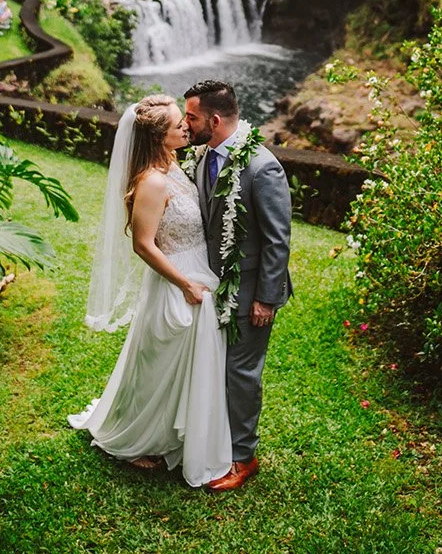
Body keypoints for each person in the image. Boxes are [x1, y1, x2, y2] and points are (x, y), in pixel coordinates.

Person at [69, 95, 232, 488]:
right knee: (158, 367)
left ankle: (181, 429)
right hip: (177, 279)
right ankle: (132, 438)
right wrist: (184, 282)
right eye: (178, 124)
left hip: (197, 271)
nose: (185, 128)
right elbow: (143, 244)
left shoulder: (173, 165)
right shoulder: (153, 182)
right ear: (160, 137)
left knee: (187, 364)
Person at [182, 79, 292, 492]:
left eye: (191, 117)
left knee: (241, 374)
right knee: (216, 368)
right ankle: (214, 441)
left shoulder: (262, 167)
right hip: (211, 287)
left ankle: (244, 458)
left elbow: (278, 239)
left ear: (213, 119)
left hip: (249, 294)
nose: (185, 123)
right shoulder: (202, 156)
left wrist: (266, 297)